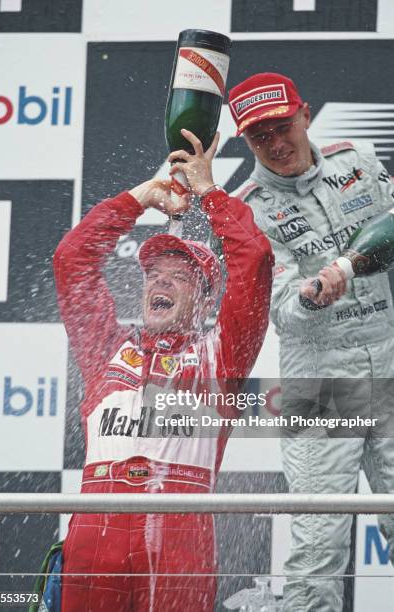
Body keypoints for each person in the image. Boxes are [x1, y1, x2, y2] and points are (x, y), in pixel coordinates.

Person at [53, 128, 273, 612]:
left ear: (203, 299)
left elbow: (254, 261)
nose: (161, 281)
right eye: (154, 274)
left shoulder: (222, 356)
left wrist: (210, 193)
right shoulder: (105, 348)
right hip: (96, 529)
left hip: (180, 532)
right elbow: (72, 261)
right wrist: (139, 199)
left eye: (180, 277)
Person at [228, 71, 394, 611]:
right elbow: (282, 315)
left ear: (304, 115)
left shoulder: (358, 163)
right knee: (319, 545)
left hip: (389, 361)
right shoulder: (246, 208)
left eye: (282, 127)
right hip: (321, 384)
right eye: (259, 138)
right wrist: (310, 297)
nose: (275, 144)